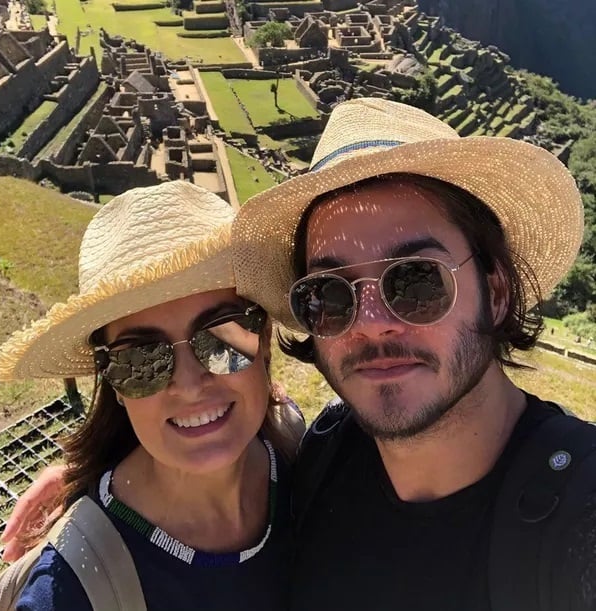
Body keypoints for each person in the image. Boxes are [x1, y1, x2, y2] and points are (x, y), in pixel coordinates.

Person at [231, 98, 595, 610]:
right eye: (330, 295)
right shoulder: (323, 456)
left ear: (496, 292)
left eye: (416, 280)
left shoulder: (581, 517)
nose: (372, 322)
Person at [0, 181, 302, 610]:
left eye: (223, 339)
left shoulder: (298, 445)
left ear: (262, 341)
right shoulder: (71, 593)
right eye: (140, 361)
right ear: (112, 382)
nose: (189, 386)